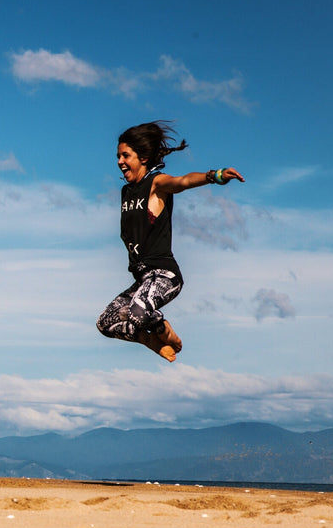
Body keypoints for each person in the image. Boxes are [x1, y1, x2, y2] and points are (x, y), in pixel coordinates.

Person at [96, 120, 244, 362]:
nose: (119, 161)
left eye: (125, 155)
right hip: (143, 279)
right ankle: (149, 340)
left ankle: (161, 328)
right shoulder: (126, 192)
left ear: (143, 157)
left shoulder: (156, 183)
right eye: (118, 156)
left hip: (165, 276)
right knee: (105, 322)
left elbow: (182, 182)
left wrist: (214, 176)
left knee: (136, 312)